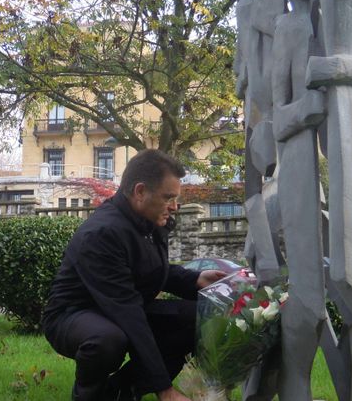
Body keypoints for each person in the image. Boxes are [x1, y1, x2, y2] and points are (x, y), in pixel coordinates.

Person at [43, 149, 226, 401]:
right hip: (74, 314)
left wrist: (195, 279)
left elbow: (150, 270)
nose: (174, 207)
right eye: (168, 197)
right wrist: (165, 390)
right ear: (140, 191)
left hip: (119, 307)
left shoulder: (148, 220)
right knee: (107, 339)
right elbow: (128, 312)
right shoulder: (103, 233)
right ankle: (88, 396)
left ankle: (121, 391)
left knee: (197, 318)